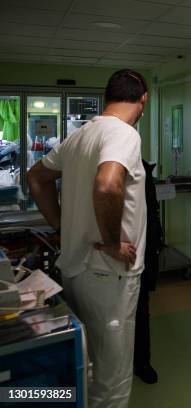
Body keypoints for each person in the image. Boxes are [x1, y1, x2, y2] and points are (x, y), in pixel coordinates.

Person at [27, 69, 148, 408]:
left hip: (75, 269)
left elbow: (36, 178)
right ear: (143, 99)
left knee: (87, 367)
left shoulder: (81, 135)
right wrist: (111, 243)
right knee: (113, 379)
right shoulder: (124, 133)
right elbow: (107, 184)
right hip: (107, 272)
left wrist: (62, 227)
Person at [134, 160, 163, 384]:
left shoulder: (142, 168)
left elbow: (152, 209)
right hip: (119, 252)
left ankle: (142, 362)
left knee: (141, 309)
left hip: (143, 250)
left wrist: (157, 240)